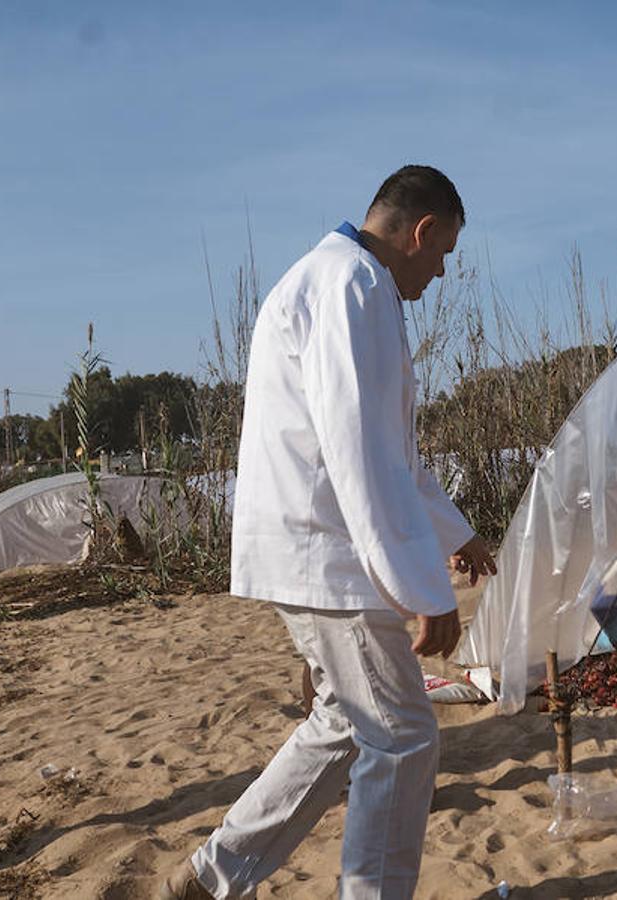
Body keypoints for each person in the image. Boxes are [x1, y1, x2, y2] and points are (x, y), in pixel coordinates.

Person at [161, 165, 496, 900]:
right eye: (443, 256)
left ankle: (210, 877)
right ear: (423, 231)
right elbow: (359, 452)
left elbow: (393, 451)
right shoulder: (353, 286)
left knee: (344, 720)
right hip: (329, 555)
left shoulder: (337, 281)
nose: (439, 273)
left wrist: (456, 532)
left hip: (313, 549)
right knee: (404, 737)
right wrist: (419, 588)